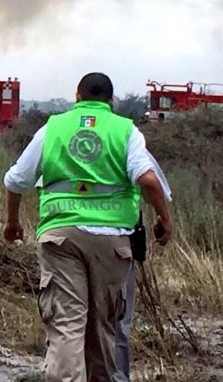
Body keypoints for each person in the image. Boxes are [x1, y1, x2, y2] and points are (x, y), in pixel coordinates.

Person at [2, 72, 173, 382]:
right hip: (111, 243)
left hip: (61, 238)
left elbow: (15, 180)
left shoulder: (52, 128)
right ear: (111, 101)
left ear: (77, 96)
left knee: (67, 324)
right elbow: (148, 180)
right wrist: (165, 219)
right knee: (103, 327)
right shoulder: (126, 131)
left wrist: (13, 223)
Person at [115, 161, 172, 381]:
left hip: (65, 239)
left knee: (72, 322)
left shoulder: (56, 134)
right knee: (117, 320)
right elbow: (153, 186)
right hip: (117, 242)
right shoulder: (124, 136)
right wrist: (164, 219)